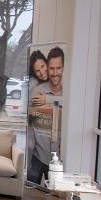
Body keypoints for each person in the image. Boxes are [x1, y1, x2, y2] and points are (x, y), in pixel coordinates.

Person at [27, 47, 65, 184]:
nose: (43, 72)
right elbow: (31, 119)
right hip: (38, 154)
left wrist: (49, 100)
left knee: (55, 193)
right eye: (38, 70)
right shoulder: (36, 89)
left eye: (43, 67)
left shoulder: (68, 90)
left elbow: (72, 102)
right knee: (30, 189)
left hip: (59, 157)